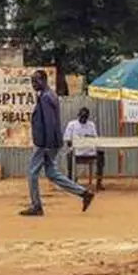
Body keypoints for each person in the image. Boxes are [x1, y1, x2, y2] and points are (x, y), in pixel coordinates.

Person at [21, 70, 94, 216]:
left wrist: (47, 145)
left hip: (45, 143)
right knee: (52, 173)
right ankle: (84, 193)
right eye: (32, 82)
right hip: (50, 142)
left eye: (36, 81)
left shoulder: (46, 97)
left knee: (32, 173)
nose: (33, 85)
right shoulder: (48, 95)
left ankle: (36, 206)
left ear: (44, 80)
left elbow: (50, 122)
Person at [64, 107, 105, 190]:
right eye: (81, 117)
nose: (83, 119)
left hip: (90, 151)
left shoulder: (91, 125)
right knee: (69, 155)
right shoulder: (72, 124)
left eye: (85, 117)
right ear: (78, 116)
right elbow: (68, 140)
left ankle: (99, 182)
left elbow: (95, 139)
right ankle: (70, 181)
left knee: (101, 155)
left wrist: (88, 139)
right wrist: (78, 142)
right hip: (77, 151)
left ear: (87, 117)